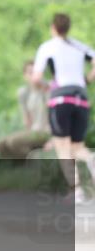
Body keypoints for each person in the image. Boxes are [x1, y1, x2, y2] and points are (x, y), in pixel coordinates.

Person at [31, 13, 95, 202]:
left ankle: (77, 191)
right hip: (81, 98)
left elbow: (36, 78)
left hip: (61, 99)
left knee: (62, 147)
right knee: (77, 147)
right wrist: (86, 80)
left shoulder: (47, 47)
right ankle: (91, 159)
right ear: (68, 27)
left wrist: (47, 86)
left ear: (53, 27)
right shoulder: (79, 46)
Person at [0, 60, 51, 159]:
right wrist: (28, 134)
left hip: (47, 132)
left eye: (36, 72)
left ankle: (35, 161)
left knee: (14, 142)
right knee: (1, 145)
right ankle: (21, 164)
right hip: (34, 131)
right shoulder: (24, 93)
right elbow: (27, 119)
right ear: (25, 75)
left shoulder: (49, 89)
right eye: (30, 72)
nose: (34, 75)